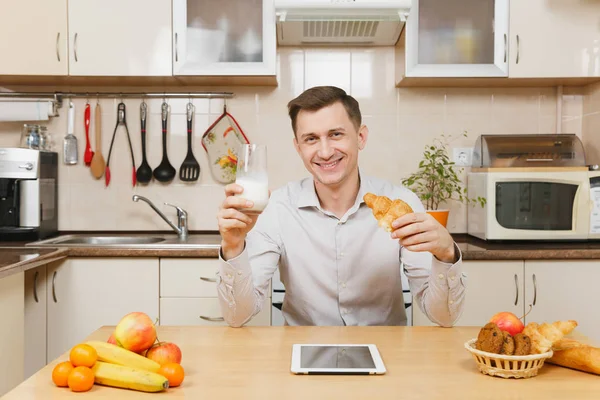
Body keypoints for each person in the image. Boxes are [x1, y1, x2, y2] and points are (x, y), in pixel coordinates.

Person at [216, 86, 466, 328]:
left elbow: (443, 317)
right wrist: (233, 247)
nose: (324, 152)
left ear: (361, 137)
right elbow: (238, 316)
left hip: (388, 355)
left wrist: (446, 255)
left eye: (336, 134)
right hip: (303, 353)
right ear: (298, 147)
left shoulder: (403, 204)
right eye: (311, 139)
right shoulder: (277, 208)